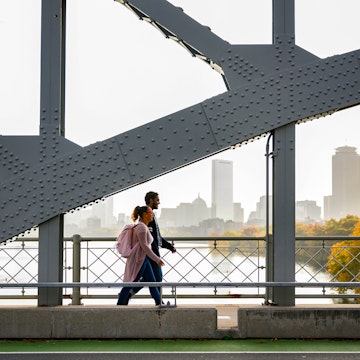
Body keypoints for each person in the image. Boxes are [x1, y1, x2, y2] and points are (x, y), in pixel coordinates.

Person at [117, 205, 164, 306]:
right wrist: (157, 259)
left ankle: (159, 303)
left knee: (153, 283)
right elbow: (145, 247)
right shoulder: (141, 228)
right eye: (151, 213)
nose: (152, 215)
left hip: (144, 259)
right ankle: (120, 305)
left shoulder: (143, 227)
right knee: (130, 283)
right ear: (145, 215)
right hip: (139, 260)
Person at [145, 191, 176, 287]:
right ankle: (159, 301)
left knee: (150, 279)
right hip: (151, 254)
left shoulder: (150, 214)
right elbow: (152, 238)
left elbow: (156, 236)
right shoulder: (148, 215)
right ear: (151, 200)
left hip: (150, 253)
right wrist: (156, 256)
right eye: (157, 200)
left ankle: (126, 294)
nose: (159, 202)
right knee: (157, 279)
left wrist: (170, 247)